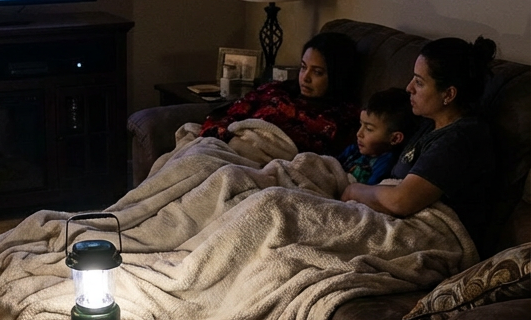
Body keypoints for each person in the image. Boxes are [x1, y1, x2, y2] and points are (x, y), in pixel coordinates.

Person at [341, 35, 498, 244]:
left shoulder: (458, 139)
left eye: (419, 82)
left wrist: (354, 191)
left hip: (425, 235)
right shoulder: (427, 123)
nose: (409, 88)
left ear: (448, 94)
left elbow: (402, 201)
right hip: (383, 214)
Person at [199, 31, 361, 156]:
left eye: (317, 72)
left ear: (337, 77)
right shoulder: (277, 90)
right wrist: (223, 136)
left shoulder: (342, 118)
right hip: (228, 144)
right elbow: (230, 113)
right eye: (303, 67)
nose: (305, 78)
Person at [339, 87, 416, 185]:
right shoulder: (354, 150)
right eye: (361, 124)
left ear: (395, 138)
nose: (359, 133)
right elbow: (331, 166)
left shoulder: (385, 163)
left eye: (369, 129)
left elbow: (369, 191)